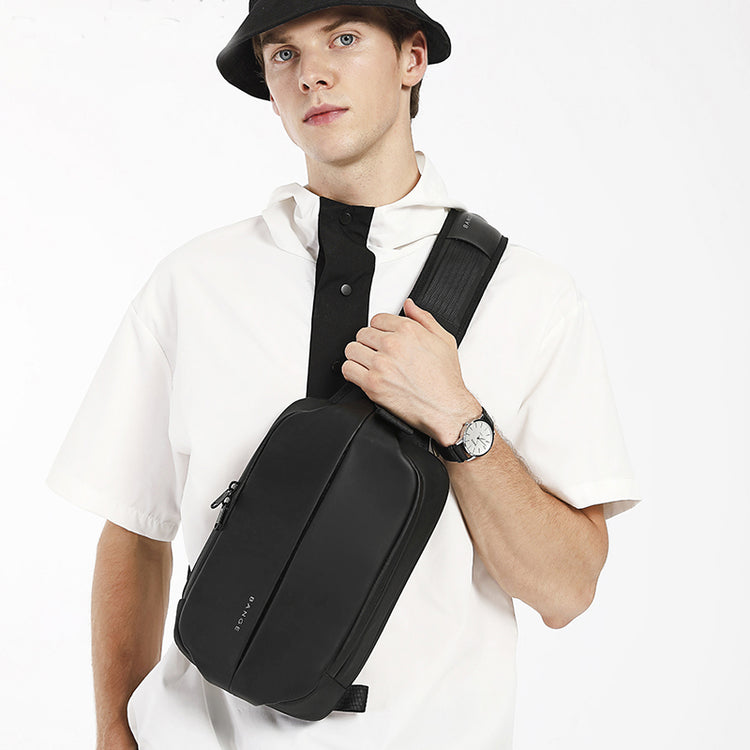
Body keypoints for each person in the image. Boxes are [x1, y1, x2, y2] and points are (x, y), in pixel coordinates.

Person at [46, 1, 641, 748]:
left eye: (345, 39)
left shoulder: (532, 299)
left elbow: (567, 591)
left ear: (412, 59)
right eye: (283, 54)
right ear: (269, 87)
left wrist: (459, 419)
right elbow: (135, 528)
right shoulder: (194, 283)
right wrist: (112, 733)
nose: (312, 74)